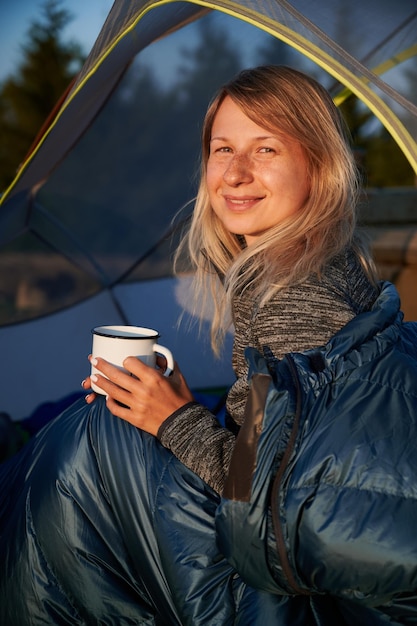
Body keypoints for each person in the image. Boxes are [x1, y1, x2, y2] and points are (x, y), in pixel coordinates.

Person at [0, 65, 417, 625]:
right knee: (96, 430)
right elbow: (286, 447)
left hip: (285, 599)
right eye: (224, 149)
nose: (236, 173)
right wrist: (176, 408)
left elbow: (272, 500)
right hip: (283, 554)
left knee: (88, 444)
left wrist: (177, 422)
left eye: (266, 149)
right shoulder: (313, 260)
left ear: (318, 168)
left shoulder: (298, 297)